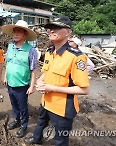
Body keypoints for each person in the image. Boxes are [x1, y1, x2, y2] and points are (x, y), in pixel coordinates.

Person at [24, 15, 90, 146]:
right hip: (46, 101)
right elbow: (46, 73)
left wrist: (52, 88)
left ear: (68, 32)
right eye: (50, 28)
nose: (52, 31)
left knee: (60, 139)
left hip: (62, 108)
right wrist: (39, 81)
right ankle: (37, 139)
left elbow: (84, 89)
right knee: (41, 123)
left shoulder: (76, 57)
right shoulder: (49, 52)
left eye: (57, 28)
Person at [1, 20, 38, 138]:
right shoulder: (10, 46)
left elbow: (33, 70)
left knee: (23, 107)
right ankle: (16, 120)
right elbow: (8, 62)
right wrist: (5, 76)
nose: (16, 34)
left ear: (25, 34)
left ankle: (24, 125)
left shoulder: (31, 50)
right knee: (13, 104)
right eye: (14, 31)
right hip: (10, 82)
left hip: (22, 84)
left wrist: (32, 86)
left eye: (19, 31)